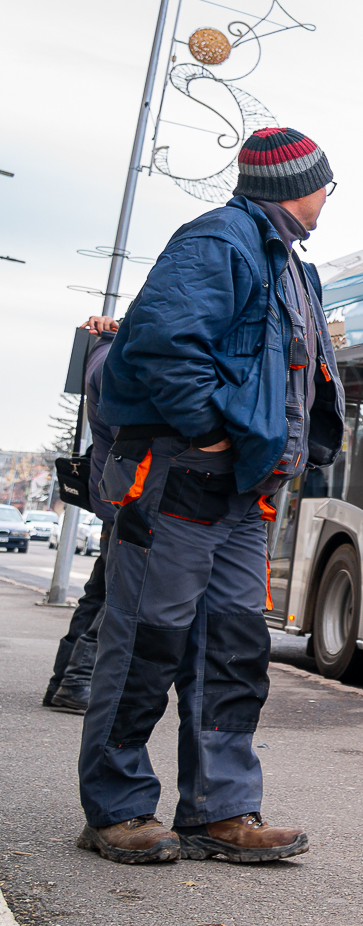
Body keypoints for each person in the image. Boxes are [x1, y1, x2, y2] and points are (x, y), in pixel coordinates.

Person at [81, 126, 341, 865]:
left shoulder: (281, 258)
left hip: (235, 496)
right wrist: (210, 433)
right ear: (296, 184)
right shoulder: (218, 242)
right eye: (326, 182)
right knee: (144, 645)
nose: (328, 196)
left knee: (232, 650)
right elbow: (162, 342)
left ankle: (218, 811)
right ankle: (118, 809)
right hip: (179, 482)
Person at [44, 315, 121, 714]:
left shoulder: (102, 353)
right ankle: (76, 682)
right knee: (116, 596)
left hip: (116, 495)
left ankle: (64, 680)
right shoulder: (114, 359)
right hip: (129, 496)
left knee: (100, 594)